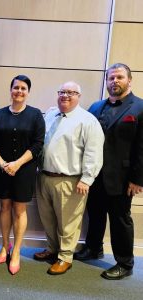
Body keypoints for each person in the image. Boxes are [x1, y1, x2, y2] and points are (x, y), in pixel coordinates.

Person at [74, 63, 143, 279]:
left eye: (120, 77)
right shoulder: (95, 107)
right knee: (95, 214)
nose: (115, 81)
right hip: (95, 175)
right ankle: (93, 248)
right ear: (106, 82)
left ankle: (125, 262)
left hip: (122, 178)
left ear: (129, 80)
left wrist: (137, 179)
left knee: (120, 219)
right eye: (111, 78)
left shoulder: (140, 108)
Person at [34, 81, 104, 275]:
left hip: (71, 181)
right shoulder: (50, 115)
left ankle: (65, 257)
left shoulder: (87, 121)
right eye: (62, 92)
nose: (65, 95)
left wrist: (87, 179)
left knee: (68, 222)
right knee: (47, 219)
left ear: (78, 96)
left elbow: (94, 153)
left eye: (71, 92)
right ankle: (52, 249)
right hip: (45, 177)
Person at [0, 75, 45, 275]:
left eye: (23, 88)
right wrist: (3, 163)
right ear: (10, 90)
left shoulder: (36, 115)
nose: (19, 91)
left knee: (20, 210)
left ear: (28, 92)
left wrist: (17, 164)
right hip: (2, 169)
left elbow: (38, 144)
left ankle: (17, 250)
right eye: (16, 87)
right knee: (4, 207)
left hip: (25, 170)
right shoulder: (0, 114)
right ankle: (5, 246)